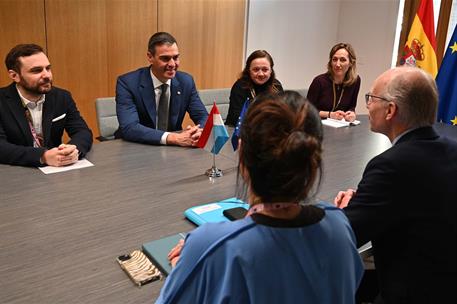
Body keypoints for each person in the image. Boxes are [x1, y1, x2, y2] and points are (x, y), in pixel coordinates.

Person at [156, 91, 363, 303]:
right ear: (313, 159)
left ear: (242, 156)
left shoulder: (208, 247)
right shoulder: (339, 224)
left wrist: (188, 264)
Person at [334, 67, 457, 303]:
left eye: (371, 98)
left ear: (391, 110)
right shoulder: (452, 150)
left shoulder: (390, 166)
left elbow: (345, 236)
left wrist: (344, 210)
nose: (367, 105)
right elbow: (419, 198)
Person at [0, 44, 92, 167]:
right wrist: (42, 156)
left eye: (48, 68)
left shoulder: (62, 97)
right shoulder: (2, 101)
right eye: (36, 70)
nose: (47, 75)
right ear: (14, 76)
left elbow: (82, 131)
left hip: (55, 170)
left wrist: (74, 149)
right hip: (16, 171)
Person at [115, 32, 208, 146]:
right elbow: (130, 127)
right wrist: (172, 137)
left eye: (175, 57)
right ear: (150, 57)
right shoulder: (128, 83)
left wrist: (198, 132)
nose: (172, 64)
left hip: (173, 149)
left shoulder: (186, 82)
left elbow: (203, 116)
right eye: (165, 58)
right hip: (137, 146)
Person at [225, 50, 283, 126]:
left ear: (271, 71)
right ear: (249, 71)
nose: (261, 74)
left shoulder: (276, 85)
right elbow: (236, 117)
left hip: (270, 130)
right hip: (240, 131)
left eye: (265, 70)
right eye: (256, 70)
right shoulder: (240, 86)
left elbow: (282, 113)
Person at [307, 42, 360, 122]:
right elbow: (307, 111)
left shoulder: (355, 81)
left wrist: (352, 113)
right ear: (330, 62)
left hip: (341, 126)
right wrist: (329, 115)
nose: (337, 64)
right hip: (318, 124)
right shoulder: (319, 81)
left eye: (342, 60)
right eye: (334, 59)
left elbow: (352, 106)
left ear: (351, 63)